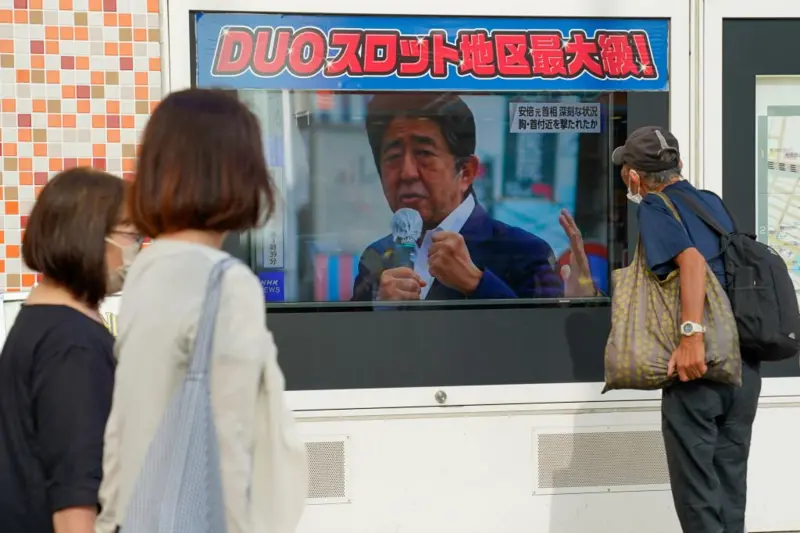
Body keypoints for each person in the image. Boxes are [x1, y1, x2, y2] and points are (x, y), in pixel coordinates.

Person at [95, 88, 307, 533]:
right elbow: (230, 450)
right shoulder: (223, 282)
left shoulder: (147, 271)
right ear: (237, 173)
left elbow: (124, 427)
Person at [613, 126, 761, 533]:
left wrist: (690, 337)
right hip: (742, 367)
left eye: (626, 170)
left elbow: (692, 262)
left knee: (698, 498)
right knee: (730, 491)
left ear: (636, 176)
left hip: (701, 369)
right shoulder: (711, 203)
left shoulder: (656, 206)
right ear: (678, 163)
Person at [0, 167, 140, 533]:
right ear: (90, 237)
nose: (136, 249)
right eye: (130, 234)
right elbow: (75, 500)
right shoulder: (72, 344)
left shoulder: (39, 322)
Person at [352, 92, 595, 302]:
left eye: (424, 153)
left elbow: (546, 341)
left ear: (466, 172)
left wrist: (477, 283)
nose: (407, 173)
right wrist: (377, 310)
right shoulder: (375, 258)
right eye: (393, 156)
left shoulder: (526, 252)